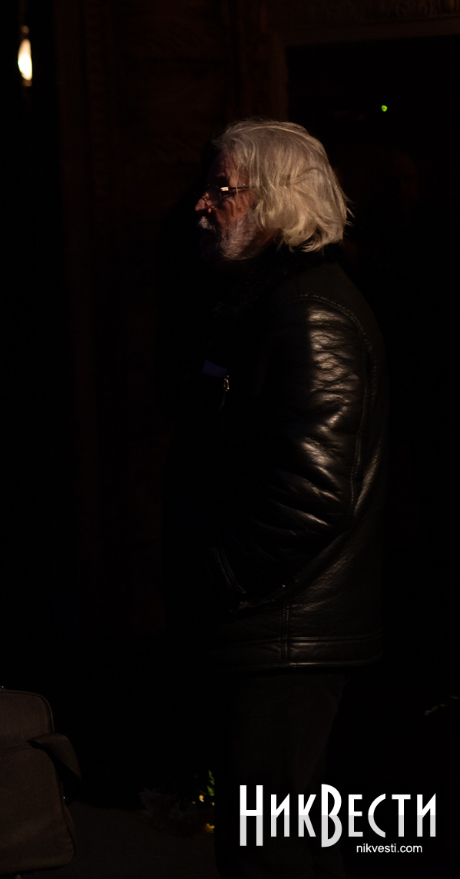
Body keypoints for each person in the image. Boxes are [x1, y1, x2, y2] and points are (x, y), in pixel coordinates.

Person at [164, 118, 388, 878]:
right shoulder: (267, 301)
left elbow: (313, 493)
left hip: (284, 634)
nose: (201, 205)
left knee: (273, 854)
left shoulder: (310, 311)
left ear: (280, 199)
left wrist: (221, 579)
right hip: (270, 627)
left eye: (221, 189)